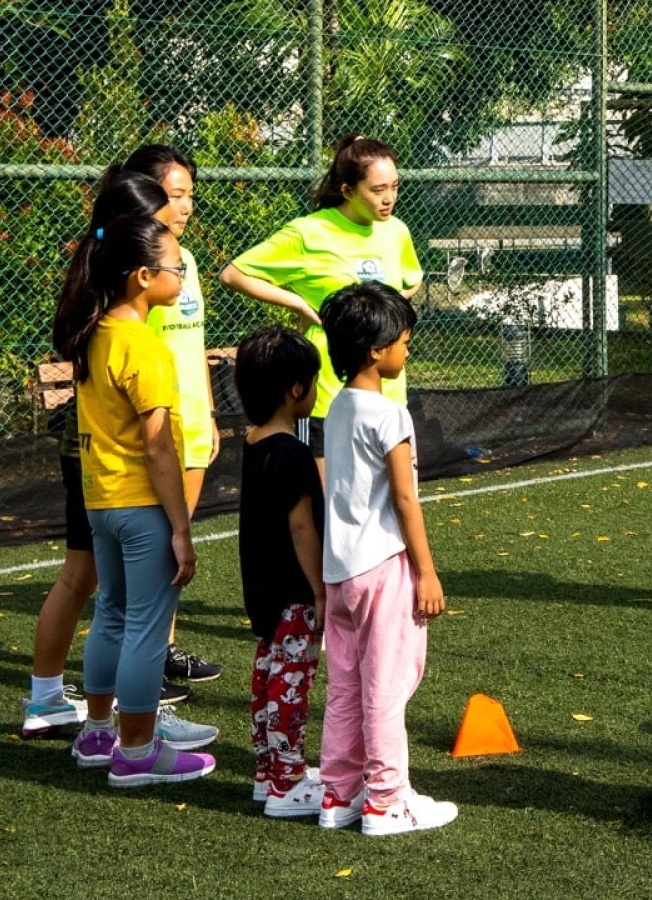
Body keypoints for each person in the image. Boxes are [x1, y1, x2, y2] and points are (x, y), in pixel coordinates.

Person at [22, 173, 218, 743]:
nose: (182, 277)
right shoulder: (146, 349)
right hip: (140, 505)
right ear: (142, 275)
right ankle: (136, 749)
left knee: (110, 614)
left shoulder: (96, 332)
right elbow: (158, 448)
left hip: (101, 502)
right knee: (146, 629)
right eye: (175, 269)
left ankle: (98, 734)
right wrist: (180, 527)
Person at [315, 281, 455, 836]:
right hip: (383, 569)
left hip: (340, 571)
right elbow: (404, 500)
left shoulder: (338, 405)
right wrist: (427, 571)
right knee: (386, 686)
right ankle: (386, 800)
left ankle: (337, 795)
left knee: (346, 685)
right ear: (376, 351)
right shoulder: (390, 415)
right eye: (403, 342)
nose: (407, 349)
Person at [219, 134, 421, 471]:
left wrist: (389, 308)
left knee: (392, 506)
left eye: (395, 187)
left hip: (390, 397)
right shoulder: (307, 233)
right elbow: (234, 274)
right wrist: (298, 303)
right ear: (347, 190)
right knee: (328, 512)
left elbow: (412, 280)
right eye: (377, 190)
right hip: (329, 398)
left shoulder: (396, 231)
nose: (389, 199)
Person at [112, 144, 226, 691]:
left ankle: (162, 652)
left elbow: (193, 344)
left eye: (189, 196)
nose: (185, 207)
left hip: (193, 429)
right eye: (174, 195)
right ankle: (134, 667)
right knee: (150, 556)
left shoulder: (187, 263)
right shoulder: (136, 272)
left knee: (175, 559)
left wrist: (208, 410)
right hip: (155, 431)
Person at [234, 325, 327, 816]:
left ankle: (267, 772)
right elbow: (301, 527)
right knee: (291, 681)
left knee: (268, 673)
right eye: (312, 382)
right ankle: (288, 785)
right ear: (296, 390)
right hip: (292, 588)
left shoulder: (252, 442)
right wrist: (319, 589)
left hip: (261, 584)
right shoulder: (292, 453)